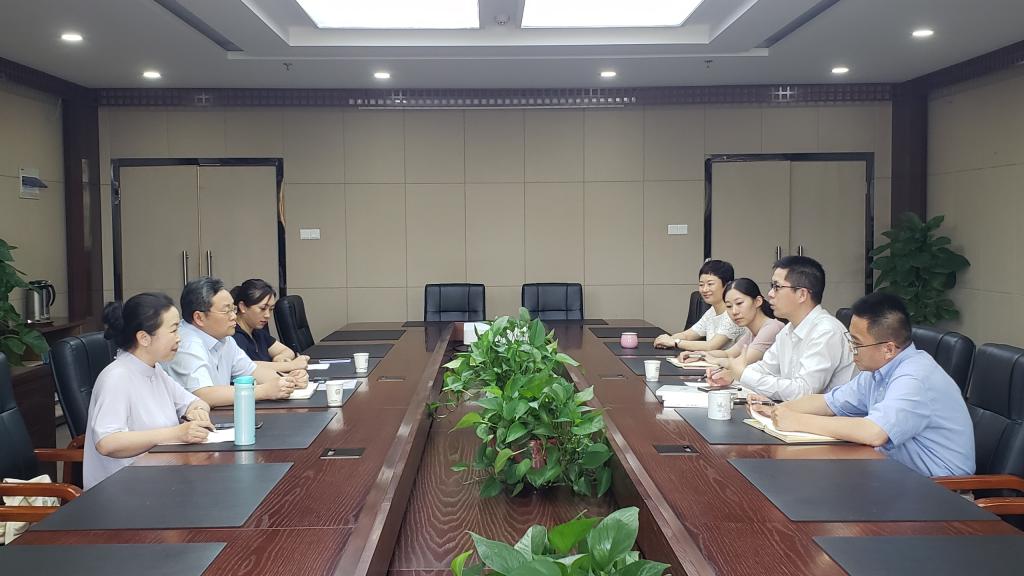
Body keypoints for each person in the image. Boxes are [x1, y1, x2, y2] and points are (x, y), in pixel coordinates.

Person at [750, 292, 975, 477]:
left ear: (888, 348)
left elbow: (874, 433)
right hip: (895, 475)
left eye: (857, 344)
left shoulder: (915, 377)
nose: (852, 351)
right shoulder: (878, 370)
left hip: (940, 492)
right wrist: (778, 409)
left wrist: (798, 421)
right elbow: (828, 403)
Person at [84, 293, 214, 489]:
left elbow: (194, 401)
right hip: (121, 489)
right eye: (173, 330)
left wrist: (197, 411)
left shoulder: (154, 369)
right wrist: (176, 433)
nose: (179, 338)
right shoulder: (117, 377)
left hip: (159, 478)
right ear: (144, 338)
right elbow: (107, 442)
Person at [710, 256, 856, 400]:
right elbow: (767, 368)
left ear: (802, 294)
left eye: (777, 287)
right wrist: (733, 376)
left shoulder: (826, 331)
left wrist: (744, 375)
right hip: (796, 411)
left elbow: (804, 391)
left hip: (830, 415)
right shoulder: (788, 330)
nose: (770, 294)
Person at [165, 277, 301, 408]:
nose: (234, 316)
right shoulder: (186, 344)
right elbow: (203, 394)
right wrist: (263, 391)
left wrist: (288, 381)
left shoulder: (224, 337)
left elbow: (252, 371)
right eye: (226, 311)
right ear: (199, 317)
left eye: (233, 309)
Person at [681, 278, 784, 366]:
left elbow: (742, 362)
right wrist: (699, 355)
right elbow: (728, 354)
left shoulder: (772, 328)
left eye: (739, 303)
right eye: (729, 306)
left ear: (758, 301)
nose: (734, 311)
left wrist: (715, 360)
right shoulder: (752, 331)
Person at [654, 259, 746, 352]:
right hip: (713, 359)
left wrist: (675, 342)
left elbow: (711, 346)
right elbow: (687, 335)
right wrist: (667, 340)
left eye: (710, 284)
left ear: (727, 285)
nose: (704, 289)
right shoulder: (712, 311)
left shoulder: (733, 314)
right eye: (701, 285)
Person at [231, 279, 309, 371]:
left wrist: (279, 358)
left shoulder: (256, 331)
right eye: (263, 308)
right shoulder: (233, 335)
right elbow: (247, 366)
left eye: (271, 309)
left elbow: (287, 351)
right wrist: (292, 365)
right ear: (243, 307)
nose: (267, 315)